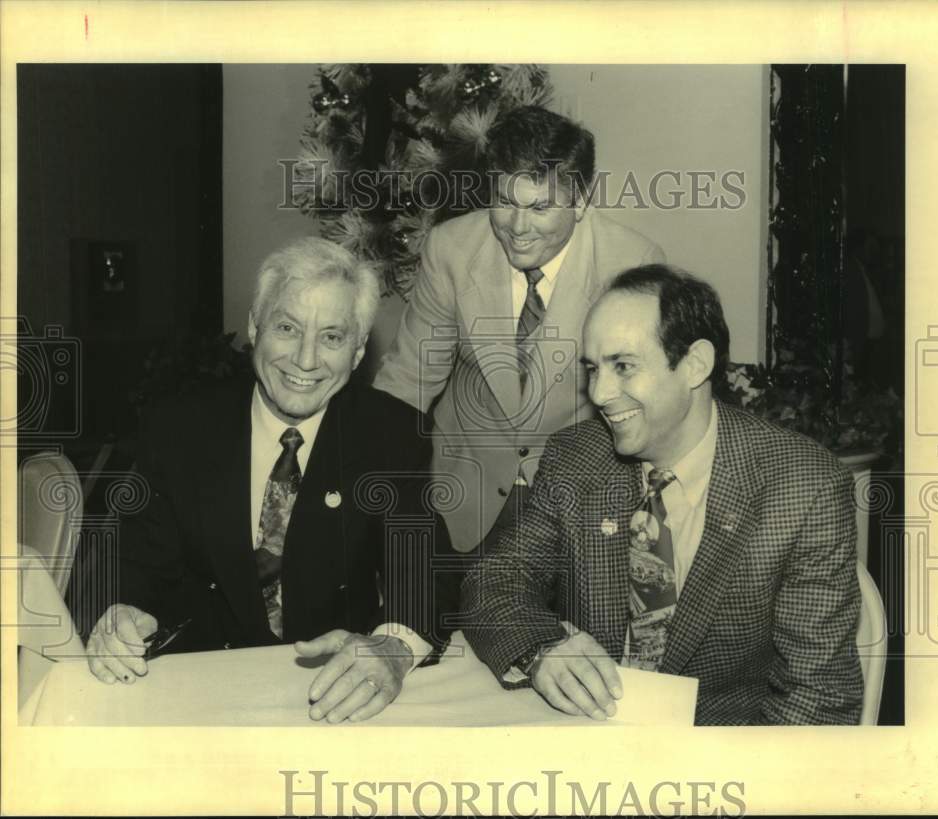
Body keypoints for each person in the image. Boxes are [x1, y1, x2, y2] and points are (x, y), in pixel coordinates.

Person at [461, 264, 864, 725]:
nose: (600, 392)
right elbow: (494, 579)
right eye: (593, 369)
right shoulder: (576, 457)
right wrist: (541, 650)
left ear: (695, 365)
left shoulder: (801, 486)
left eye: (624, 366)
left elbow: (817, 699)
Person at [85, 237, 456, 724]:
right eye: (287, 328)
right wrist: (121, 612)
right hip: (197, 695)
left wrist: (393, 647)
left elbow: (427, 571)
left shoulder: (389, 435)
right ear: (255, 327)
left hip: (333, 695)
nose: (305, 361)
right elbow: (124, 559)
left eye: (332, 337)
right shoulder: (179, 426)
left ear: (359, 349)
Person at [373, 105, 666, 553]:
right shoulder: (451, 248)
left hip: (582, 501)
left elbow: (646, 404)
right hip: (463, 495)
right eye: (505, 202)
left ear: (581, 200)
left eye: (541, 207)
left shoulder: (633, 264)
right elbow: (407, 379)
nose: (518, 227)